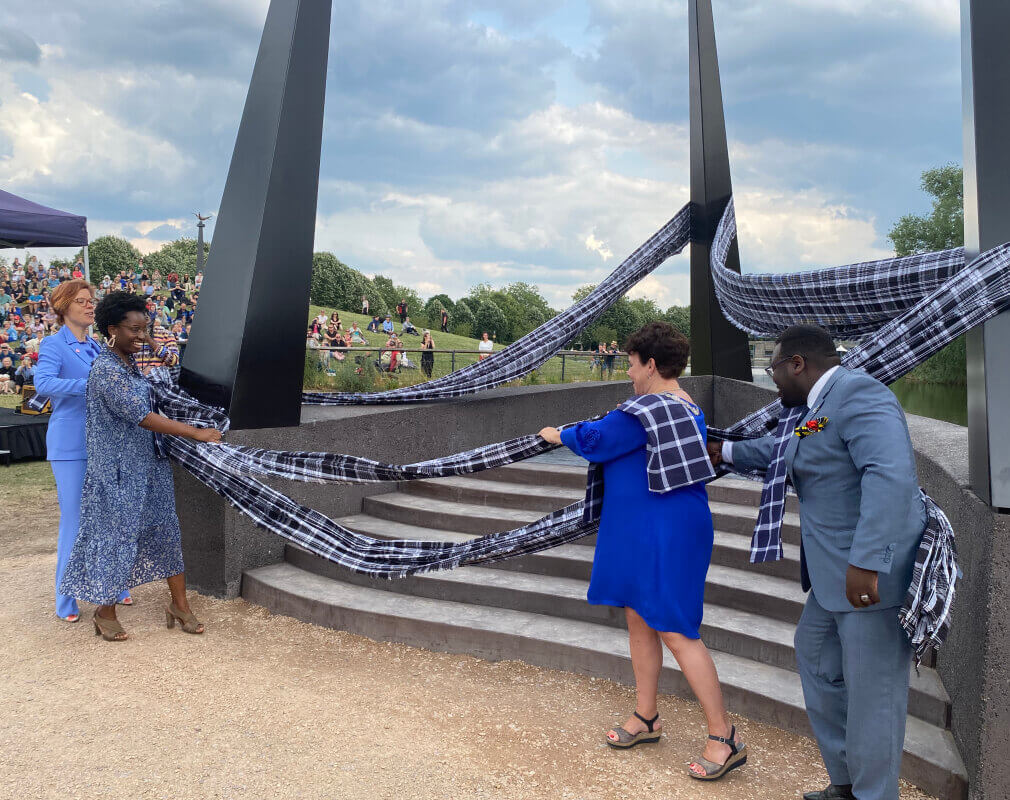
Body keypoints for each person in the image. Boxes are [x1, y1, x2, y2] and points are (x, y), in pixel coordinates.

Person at [708, 324, 924, 800]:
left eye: (774, 369)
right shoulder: (817, 409)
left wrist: (868, 561)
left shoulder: (860, 394)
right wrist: (724, 449)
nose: (773, 379)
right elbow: (787, 450)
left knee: (874, 698)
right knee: (816, 658)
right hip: (833, 578)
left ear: (797, 364)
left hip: (866, 581)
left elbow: (890, 476)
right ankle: (846, 783)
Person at [537, 322, 745, 780]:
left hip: (661, 531)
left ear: (651, 365)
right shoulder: (684, 406)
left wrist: (557, 435)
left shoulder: (644, 411)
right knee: (638, 617)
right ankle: (647, 716)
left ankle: (723, 737)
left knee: (675, 627)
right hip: (652, 526)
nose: (628, 375)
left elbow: (597, 439)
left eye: (631, 366)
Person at [58, 291, 222, 641]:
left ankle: (180, 605)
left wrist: (147, 338)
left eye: (144, 329)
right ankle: (105, 612)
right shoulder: (105, 370)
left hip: (149, 466)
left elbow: (174, 365)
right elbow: (143, 417)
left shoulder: (129, 362)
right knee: (116, 539)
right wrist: (197, 433)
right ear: (112, 330)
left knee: (166, 530)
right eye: (133, 330)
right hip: (117, 473)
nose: (140, 336)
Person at [35, 280, 133, 621]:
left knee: (109, 517)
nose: (90, 306)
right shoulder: (53, 345)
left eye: (91, 301)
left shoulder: (95, 347)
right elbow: (43, 384)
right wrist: (91, 385)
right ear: (64, 307)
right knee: (75, 521)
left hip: (102, 444)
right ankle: (66, 598)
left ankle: (113, 585)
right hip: (69, 444)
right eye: (82, 301)